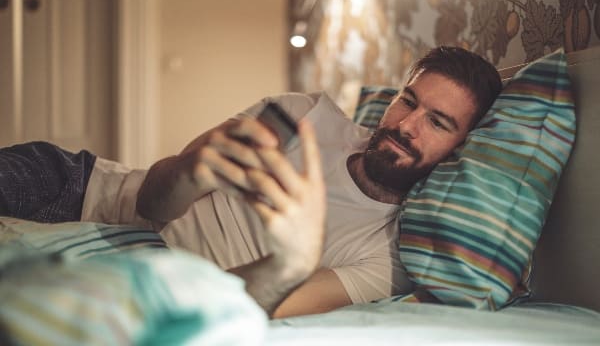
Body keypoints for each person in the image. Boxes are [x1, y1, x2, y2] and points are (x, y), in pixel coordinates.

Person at [0, 46, 502, 319]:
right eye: (408, 102)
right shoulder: (305, 114)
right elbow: (152, 200)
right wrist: (193, 170)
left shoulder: (387, 255)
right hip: (81, 187)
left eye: (439, 122)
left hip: (127, 268)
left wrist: (292, 262)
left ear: (461, 146)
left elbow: (252, 304)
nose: (407, 127)